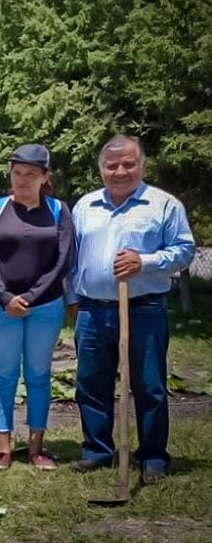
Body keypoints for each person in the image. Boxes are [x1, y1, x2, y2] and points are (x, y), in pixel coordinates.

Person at [69, 135, 194, 485]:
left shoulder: (163, 205)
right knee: (91, 383)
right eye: (112, 165)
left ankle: (153, 457)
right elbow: (73, 258)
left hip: (144, 308)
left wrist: (145, 261)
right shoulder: (86, 206)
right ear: (101, 169)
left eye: (128, 164)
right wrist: (72, 300)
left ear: (142, 165)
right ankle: (97, 451)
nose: (120, 171)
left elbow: (184, 251)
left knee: (148, 384)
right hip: (92, 311)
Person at [0, 144, 75, 470]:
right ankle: (3, 447)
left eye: (31, 174)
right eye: (17, 173)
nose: (22, 180)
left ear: (45, 177)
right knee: (4, 375)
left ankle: (36, 448)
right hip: (1, 309)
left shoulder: (59, 211)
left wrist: (31, 296)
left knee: (38, 375)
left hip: (44, 308)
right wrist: (6, 298)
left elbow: (63, 260)